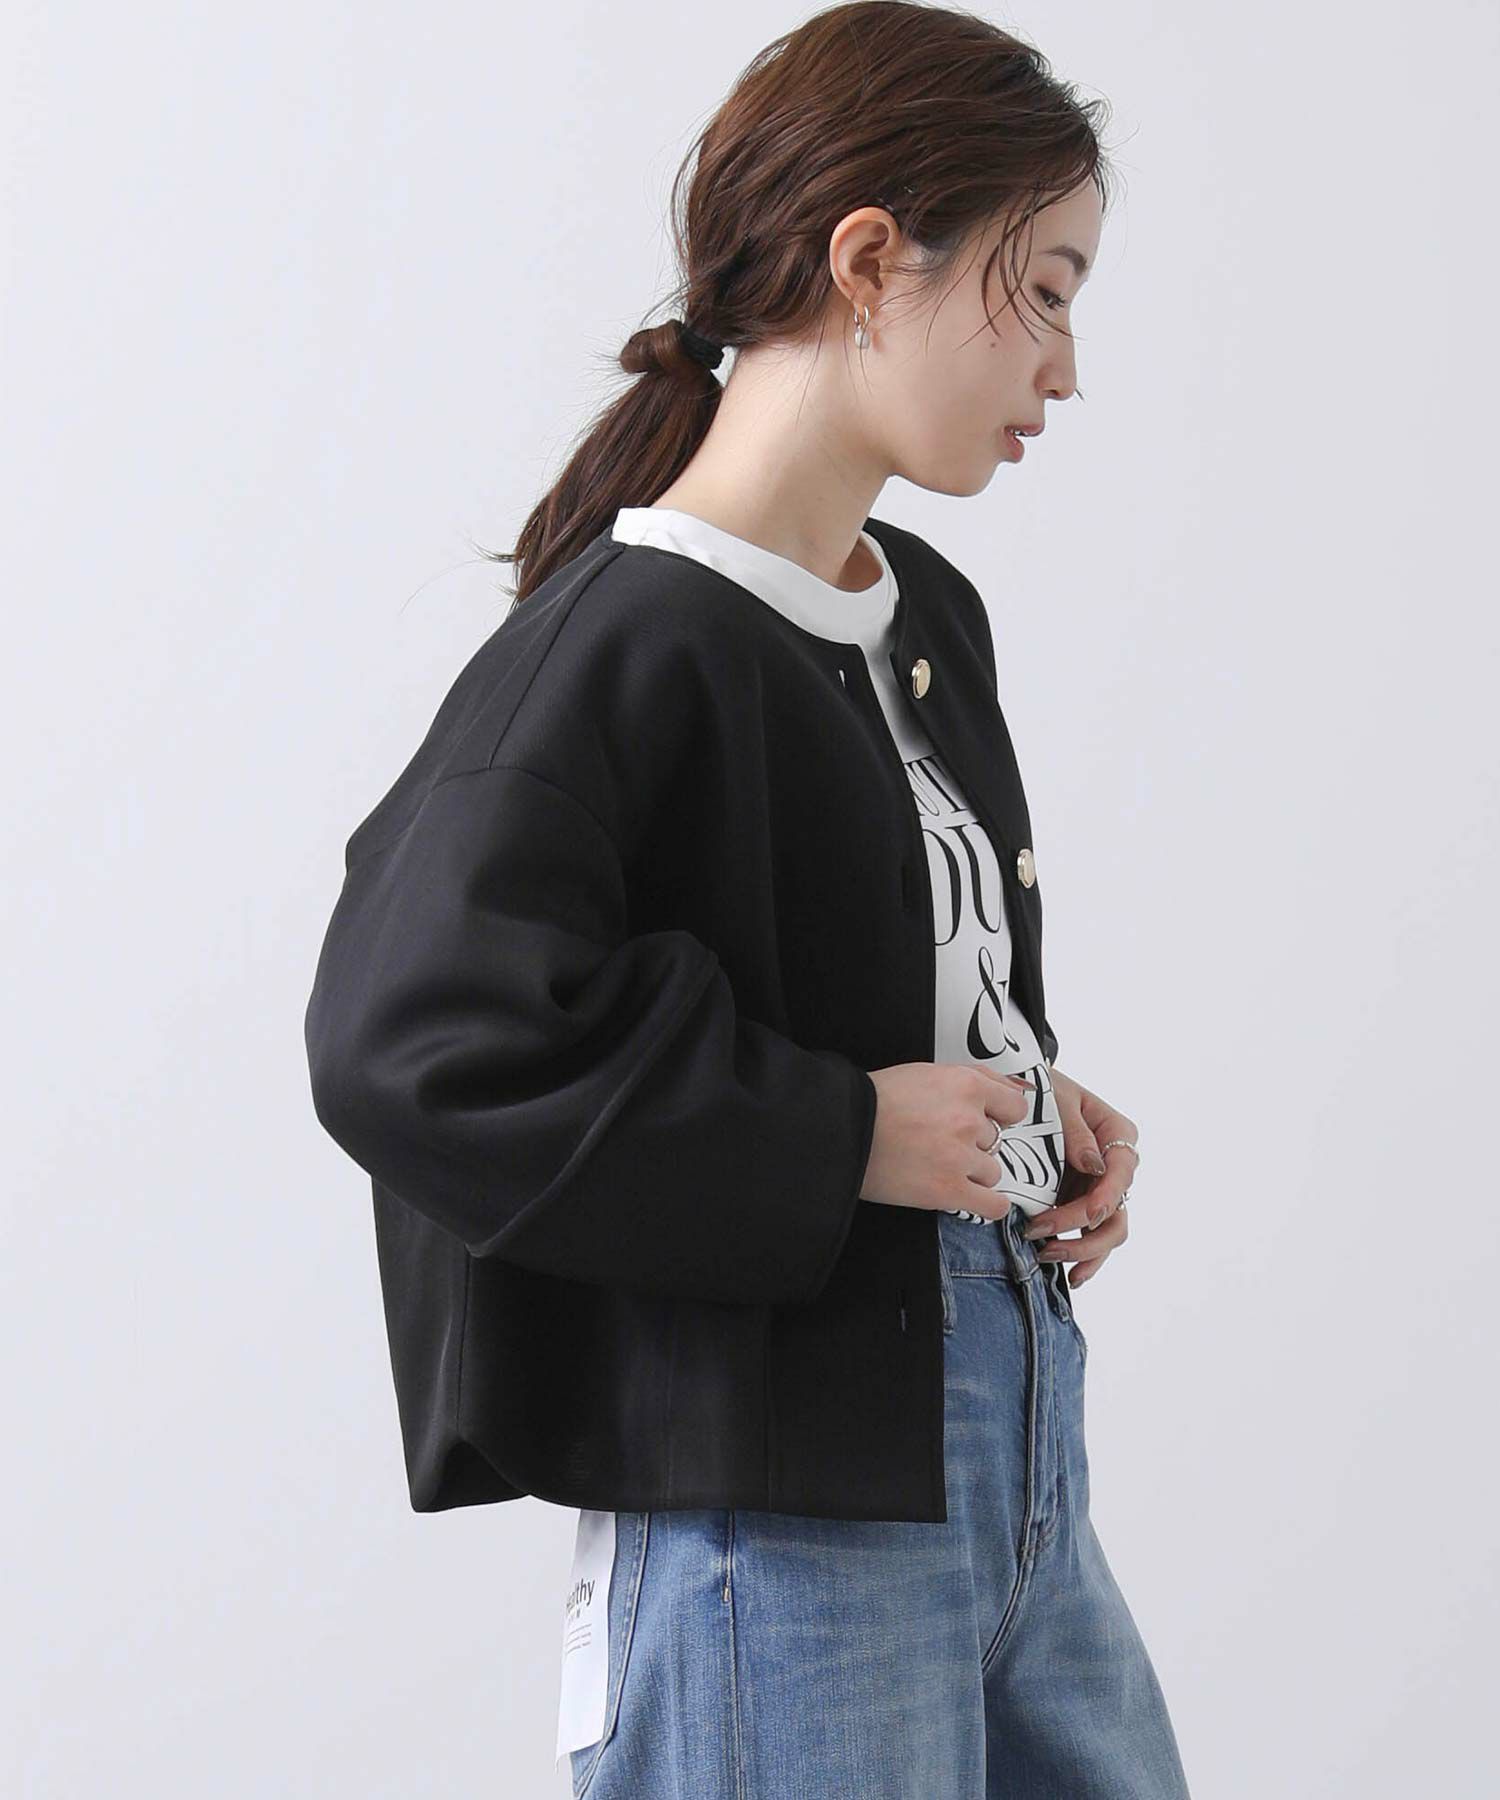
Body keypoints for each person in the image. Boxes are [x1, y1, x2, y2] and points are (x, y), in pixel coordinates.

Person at [303, 4, 1192, 1794]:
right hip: (782, 1529)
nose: (1067, 365)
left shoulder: (923, 613)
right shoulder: (623, 640)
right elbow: (411, 1037)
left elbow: (845, 972)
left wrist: (1021, 1107)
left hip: (1011, 1447)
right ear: (870, 261)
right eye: (1043, 289)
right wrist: (842, 1135)